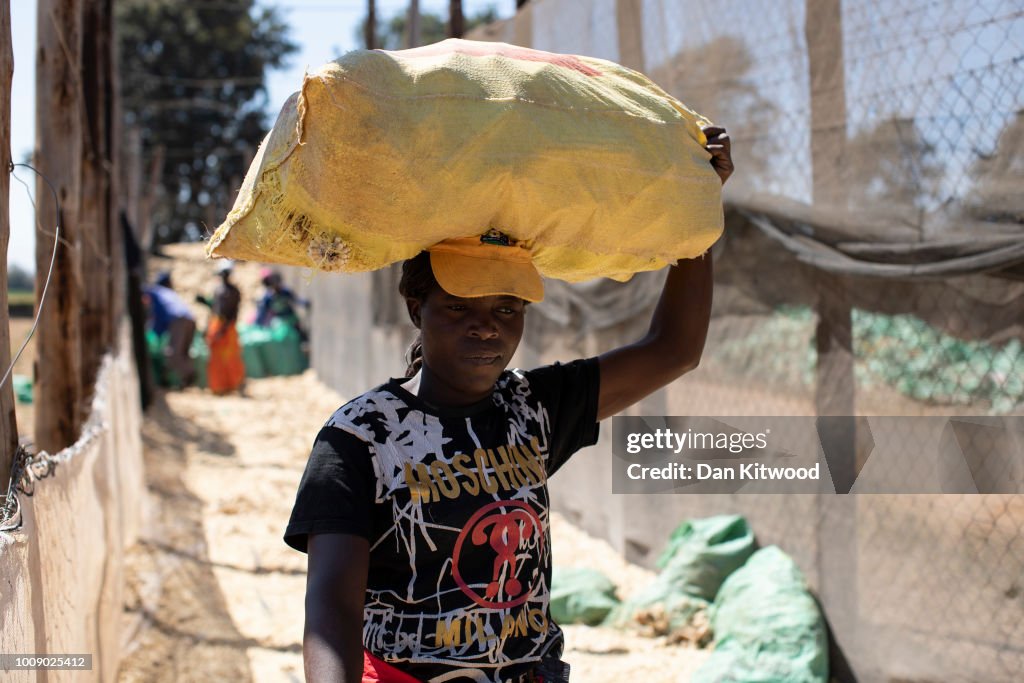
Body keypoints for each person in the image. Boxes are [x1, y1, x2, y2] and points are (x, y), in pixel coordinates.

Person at [285, 128, 733, 683]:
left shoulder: (534, 408)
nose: (485, 327)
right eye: (458, 307)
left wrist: (698, 216)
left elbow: (674, 350)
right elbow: (333, 610)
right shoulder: (360, 437)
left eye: (507, 308)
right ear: (415, 306)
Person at [198, 261, 246, 395]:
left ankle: (235, 383)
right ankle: (220, 387)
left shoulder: (233, 292)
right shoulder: (218, 290)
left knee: (230, 356)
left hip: (227, 328)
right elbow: (215, 310)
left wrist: (223, 330)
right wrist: (208, 328)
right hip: (216, 326)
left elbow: (232, 313)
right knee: (215, 358)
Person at [143, 271, 197, 388]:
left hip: (178, 320)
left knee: (172, 354)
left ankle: (189, 375)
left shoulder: (155, 292)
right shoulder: (169, 293)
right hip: (190, 319)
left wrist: (155, 332)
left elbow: (158, 316)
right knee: (183, 352)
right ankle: (185, 380)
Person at [255, 268, 309, 340]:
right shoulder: (268, 298)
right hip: (281, 320)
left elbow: (295, 299)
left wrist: (303, 303)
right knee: (288, 335)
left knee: (298, 331)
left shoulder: (284, 291)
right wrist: (258, 323)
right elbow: (263, 312)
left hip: (290, 315)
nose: (276, 286)